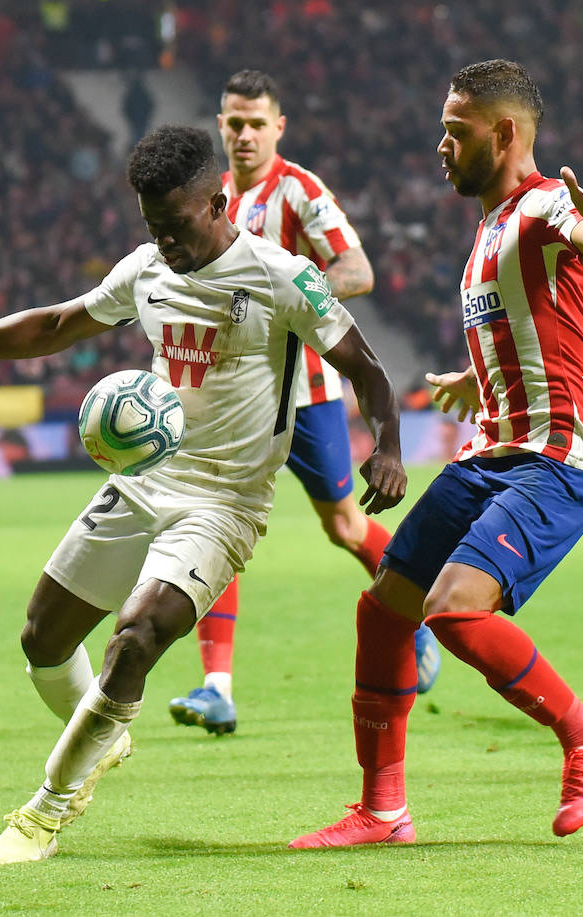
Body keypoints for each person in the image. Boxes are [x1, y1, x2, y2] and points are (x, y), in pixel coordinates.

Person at [0, 126, 406, 864]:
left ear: (218, 200)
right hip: (145, 480)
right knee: (42, 640)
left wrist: (388, 447)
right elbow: (51, 324)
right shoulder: (146, 268)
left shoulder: (281, 278)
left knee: (137, 636)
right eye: (153, 228)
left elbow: (366, 367)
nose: (165, 243)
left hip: (224, 504)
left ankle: (45, 809)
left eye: (176, 226)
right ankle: (103, 731)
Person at [290, 59, 583, 848]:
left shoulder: (549, 204)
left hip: (555, 462)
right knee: (384, 610)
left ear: (506, 132)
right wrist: (475, 379)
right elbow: (543, 327)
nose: (441, 144)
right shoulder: (489, 225)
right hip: (491, 452)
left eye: (458, 130)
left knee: (453, 609)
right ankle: (382, 811)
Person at [166, 69, 440, 738]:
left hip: (309, 393)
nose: (245, 134)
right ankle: (216, 687)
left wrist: (288, 296)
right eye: (234, 122)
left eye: (258, 123)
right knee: (212, 520)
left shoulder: (301, 190)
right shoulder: (211, 196)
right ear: (220, 124)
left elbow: (358, 270)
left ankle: (421, 616)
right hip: (233, 397)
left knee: (346, 526)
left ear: (278, 127)